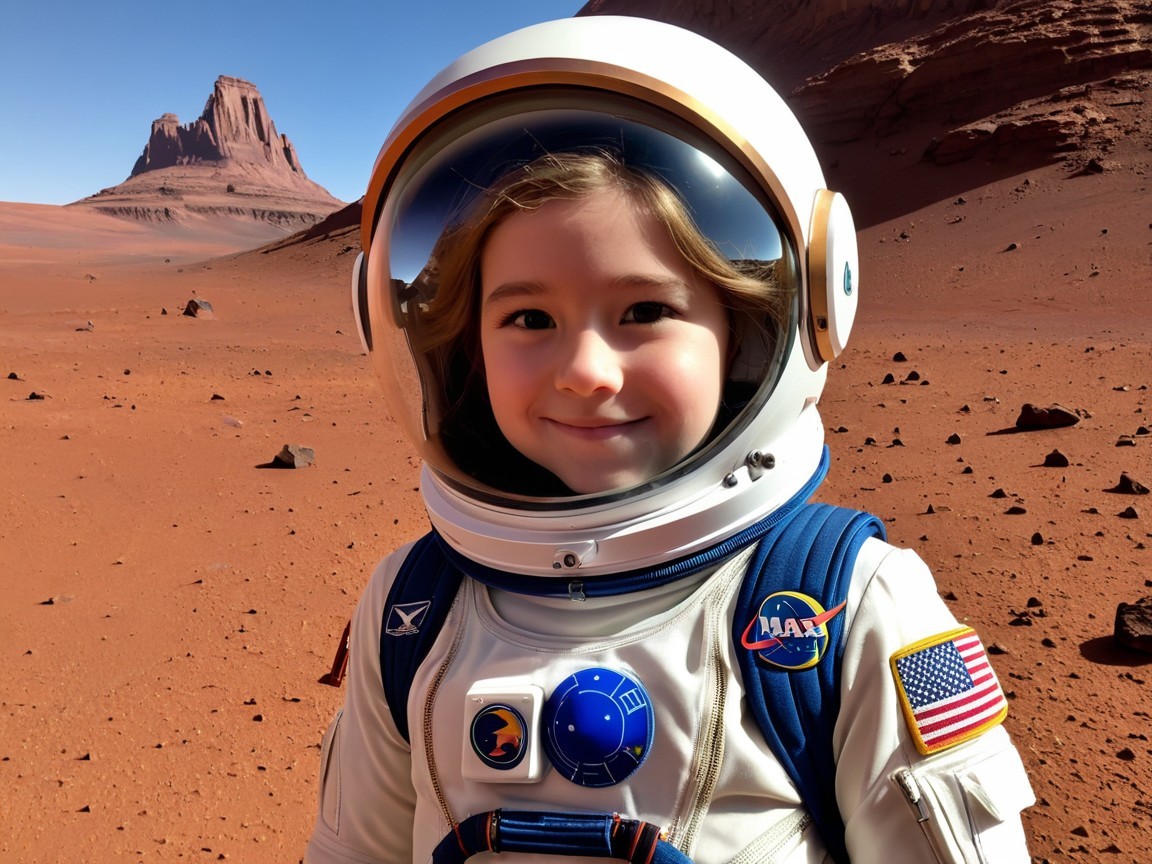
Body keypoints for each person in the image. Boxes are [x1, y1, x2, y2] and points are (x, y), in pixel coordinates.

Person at [307, 16, 1035, 864]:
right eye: (528, 317)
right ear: (460, 341)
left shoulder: (852, 606)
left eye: (645, 311)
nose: (586, 371)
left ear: (752, 330)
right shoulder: (414, 608)